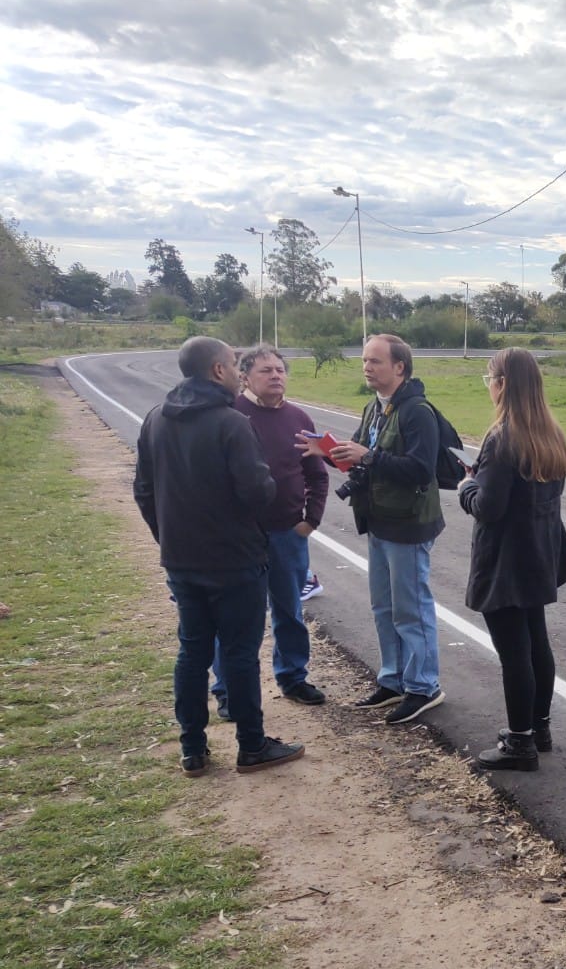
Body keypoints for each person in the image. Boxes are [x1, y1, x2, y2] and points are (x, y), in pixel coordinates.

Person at [132, 336, 304, 777]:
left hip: (182, 559)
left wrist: (167, 536)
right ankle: (252, 744)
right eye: (232, 363)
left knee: (192, 652)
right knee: (240, 652)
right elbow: (257, 491)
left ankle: (193, 747)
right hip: (235, 559)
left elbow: (144, 491)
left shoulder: (155, 419)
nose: (237, 370)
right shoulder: (230, 423)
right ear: (217, 371)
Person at [302, 333, 445, 725]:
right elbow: (364, 464)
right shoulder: (374, 408)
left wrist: (371, 455)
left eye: (375, 361)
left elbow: (421, 469)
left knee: (411, 608)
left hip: (409, 523)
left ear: (399, 367)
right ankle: (394, 679)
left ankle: (424, 685)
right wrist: (331, 453)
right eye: (365, 360)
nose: (367, 366)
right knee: (384, 607)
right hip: (379, 519)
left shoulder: (417, 411)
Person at [459, 349, 566, 770]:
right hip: (539, 551)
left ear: (503, 383)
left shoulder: (502, 436)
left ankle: (520, 741)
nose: (488, 385)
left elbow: (489, 507)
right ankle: (538, 726)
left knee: (514, 653)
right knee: (536, 643)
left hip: (506, 557)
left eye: (489, 378)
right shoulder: (550, 432)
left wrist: (466, 487)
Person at [212, 347, 329, 718]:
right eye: (266, 370)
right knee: (235, 618)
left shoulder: (298, 417)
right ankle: (228, 689)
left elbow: (317, 474)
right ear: (245, 376)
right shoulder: (230, 416)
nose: (276, 376)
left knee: (289, 611)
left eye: (280, 370)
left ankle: (293, 676)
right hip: (241, 539)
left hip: (288, 534)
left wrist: (311, 520)